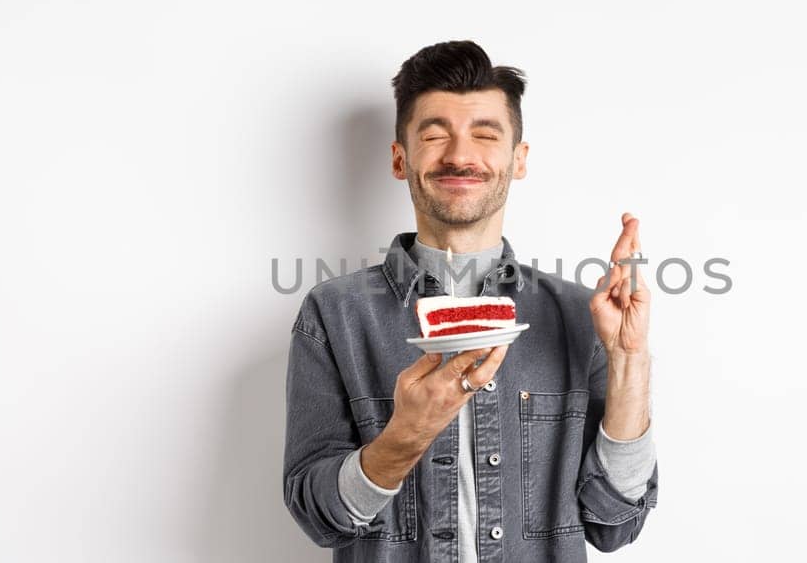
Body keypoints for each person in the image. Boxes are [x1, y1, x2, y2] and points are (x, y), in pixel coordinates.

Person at [282, 40, 658, 562]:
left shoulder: (581, 314)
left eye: (485, 135)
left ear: (518, 159)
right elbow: (315, 516)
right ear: (399, 157)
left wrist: (628, 361)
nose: (460, 155)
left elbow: (613, 524)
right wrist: (403, 438)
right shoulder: (334, 314)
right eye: (435, 135)